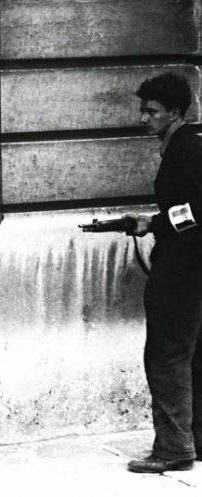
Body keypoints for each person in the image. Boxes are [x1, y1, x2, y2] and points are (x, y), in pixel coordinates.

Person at [124, 72, 202, 473]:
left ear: (175, 113)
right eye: (142, 110)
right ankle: (193, 440)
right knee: (191, 355)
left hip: (181, 271)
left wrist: (158, 226)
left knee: (166, 357)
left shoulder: (184, 150)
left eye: (151, 112)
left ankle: (173, 449)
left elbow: (194, 213)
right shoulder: (192, 144)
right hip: (193, 271)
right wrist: (151, 222)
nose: (143, 119)